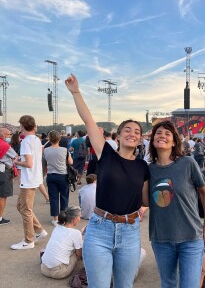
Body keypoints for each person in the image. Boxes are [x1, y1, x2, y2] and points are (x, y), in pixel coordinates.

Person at [65, 73, 149, 288]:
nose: (132, 133)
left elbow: (147, 200)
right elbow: (89, 121)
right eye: (127, 130)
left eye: (137, 131)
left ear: (140, 140)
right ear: (118, 136)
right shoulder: (106, 153)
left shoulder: (143, 167)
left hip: (130, 232)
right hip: (100, 229)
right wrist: (76, 92)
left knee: (124, 286)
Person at [148, 120, 205, 288]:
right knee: (168, 283)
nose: (162, 136)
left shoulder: (187, 163)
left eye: (167, 134)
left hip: (190, 237)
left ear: (174, 141)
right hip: (161, 239)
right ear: (152, 139)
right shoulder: (148, 169)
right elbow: (145, 200)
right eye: (158, 133)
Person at [11, 115, 48, 250]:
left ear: (22, 126)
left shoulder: (26, 141)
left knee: (25, 209)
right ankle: (38, 231)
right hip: (33, 178)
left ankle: (28, 240)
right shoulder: (36, 140)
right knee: (21, 207)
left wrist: (16, 161)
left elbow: (29, 163)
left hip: (29, 179)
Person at [41, 206, 83, 279]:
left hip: (44, 268)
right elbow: (79, 254)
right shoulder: (76, 233)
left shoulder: (57, 227)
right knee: (75, 252)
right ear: (74, 219)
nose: (80, 219)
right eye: (79, 217)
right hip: (59, 272)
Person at [44, 130, 73, 226]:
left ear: (49, 139)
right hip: (63, 175)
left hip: (51, 175)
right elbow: (71, 162)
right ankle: (63, 218)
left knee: (53, 198)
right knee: (64, 197)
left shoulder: (46, 150)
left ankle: (55, 219)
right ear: (59, 139)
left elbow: (44, 164)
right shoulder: (64, 150)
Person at [0, 127, 17, 225]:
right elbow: (15, 156)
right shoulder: (5, 146)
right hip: (3, 172)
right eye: (8, 134)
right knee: (2, 196)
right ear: (2, 135)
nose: (9, 136)